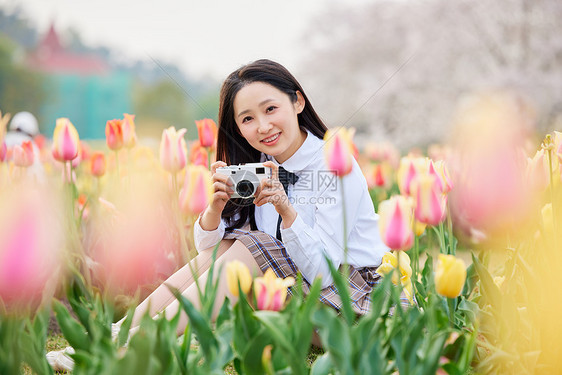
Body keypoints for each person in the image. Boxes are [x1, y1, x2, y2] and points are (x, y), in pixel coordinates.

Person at [47, 59, 390, 371]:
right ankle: (115, 335)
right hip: (305, 299)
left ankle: (130, 345)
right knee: (237, 242)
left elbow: (324, 273)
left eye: (271, 108)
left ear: (297, 102)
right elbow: (209, 250)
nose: (263, 126)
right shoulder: (259, 168)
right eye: (248, 118)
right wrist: (215, 208)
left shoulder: (332, 163)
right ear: (238, 127)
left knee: (255, 244)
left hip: (354, 303)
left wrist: (286, 209)